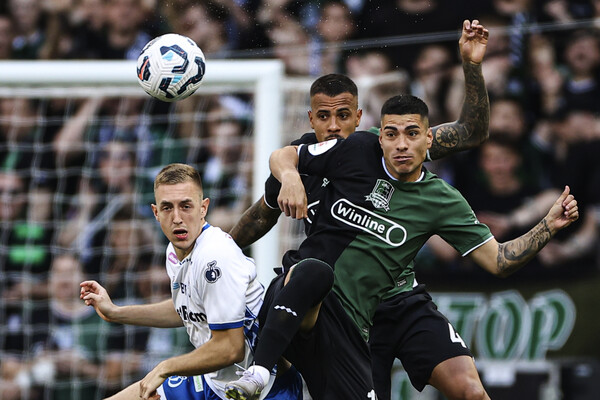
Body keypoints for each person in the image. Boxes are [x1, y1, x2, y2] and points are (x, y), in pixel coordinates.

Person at [226, 93, 578, 400]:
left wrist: (547, 226)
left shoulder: (439, 198)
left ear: (429, 139)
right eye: (392, 135)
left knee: (471, 391)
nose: (401, 144)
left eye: (412, 134)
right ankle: (260, 371)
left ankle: (265, 368)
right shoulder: (343, 152)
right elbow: (275, 177)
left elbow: (498, 260)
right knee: (310, 273)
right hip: (334, 310)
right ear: (380, 137)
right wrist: (222, 247)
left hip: (398, 302)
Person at [228, 19, 490, 400]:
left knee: (470, 391)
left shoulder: (386, 146)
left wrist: (471, 65)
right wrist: (216, 252)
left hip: (399, 299)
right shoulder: (301, 161)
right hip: (342, 311)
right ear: (311, 119)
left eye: (343, 116)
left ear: (359, 117)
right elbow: (259, 217)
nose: (334, 126)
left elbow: (471, 131)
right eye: (324, 117)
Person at [80, 163, 302, 400]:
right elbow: (186, 308)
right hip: (214, 382)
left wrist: (166, 367)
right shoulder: (174, 252)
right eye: (167, 207)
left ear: (203, 208)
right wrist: (115, 312)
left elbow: (231, 348)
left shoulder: (214, 256)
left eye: (186, 206)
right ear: (155, 212)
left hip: (262, 390)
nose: (177, 218)